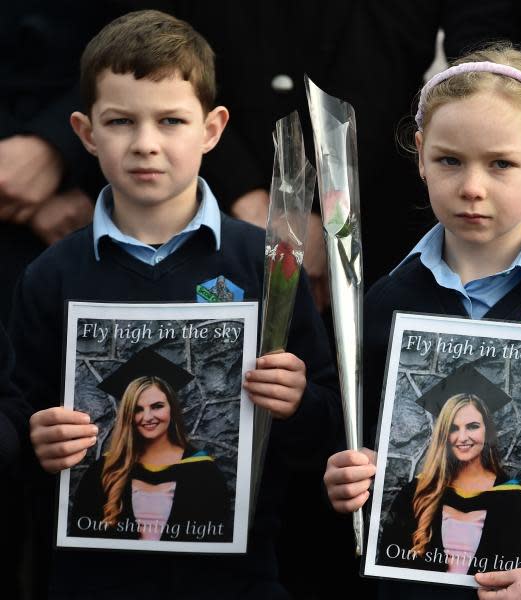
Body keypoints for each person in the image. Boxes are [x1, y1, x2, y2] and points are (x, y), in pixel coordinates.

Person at [10, 10, 339, 597]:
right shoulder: (52, 275)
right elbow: (20, 416)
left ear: (212, 129)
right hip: (91, 581)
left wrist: (298, 401)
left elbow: (332, 430)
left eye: (170, 120)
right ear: (85, 133)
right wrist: (38, 441)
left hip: (238, 578)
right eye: (120, 121)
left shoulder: (267, 266)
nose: (145, 144)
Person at [324, 43, 521, 599]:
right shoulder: (382, 303)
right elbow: (356, 442)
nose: (473, 186)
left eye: (501, 163)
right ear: (421, 156)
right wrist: (345, 476)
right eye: (450, 160)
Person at [379, 365, 521, 575]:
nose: (462, 437)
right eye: (454, 428)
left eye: (472, 426)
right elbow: (390, 566)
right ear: (443, 435)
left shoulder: (514, 500)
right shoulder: (416, 493)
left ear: (486, 430)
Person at [68, 349, 230, 543]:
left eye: (157, 406)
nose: (147, 417)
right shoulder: (103, 471)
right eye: (137, 409)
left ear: (172, 409)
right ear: (128, 415)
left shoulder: (204, 471)